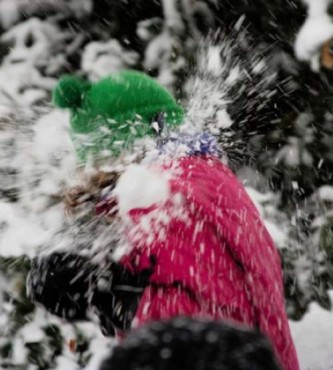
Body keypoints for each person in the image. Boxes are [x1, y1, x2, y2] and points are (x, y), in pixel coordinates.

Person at [28, 70, 299, 370]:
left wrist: (119, 301)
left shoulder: (165, 202)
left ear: (123, 143)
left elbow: (199, 330)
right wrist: (105, 285)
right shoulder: (200, 181)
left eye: (94, 161)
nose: (88, 175)